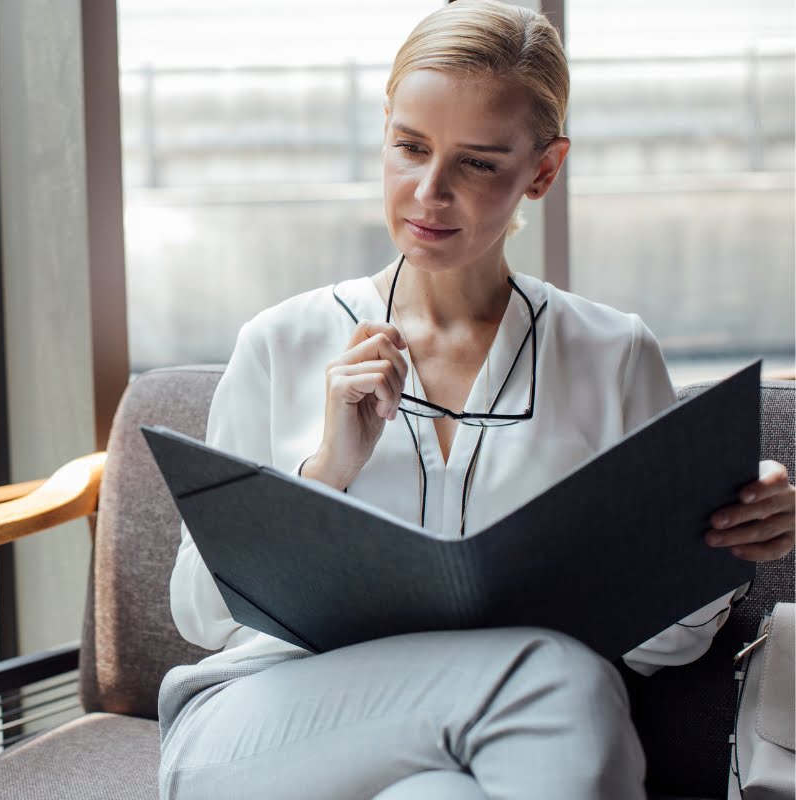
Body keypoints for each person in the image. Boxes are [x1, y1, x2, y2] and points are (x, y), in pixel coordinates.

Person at [156, 2, 796, 799]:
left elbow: (664, 646)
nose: (429, 192)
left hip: (505, 750)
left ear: (544, 170)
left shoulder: (612, 354)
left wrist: (720, 540)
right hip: (268, 727)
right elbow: (201, 615)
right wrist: (324, 471)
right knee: (560, 675)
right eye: (410, 147)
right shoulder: (280, 342)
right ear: (383, 131)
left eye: (479, 163)